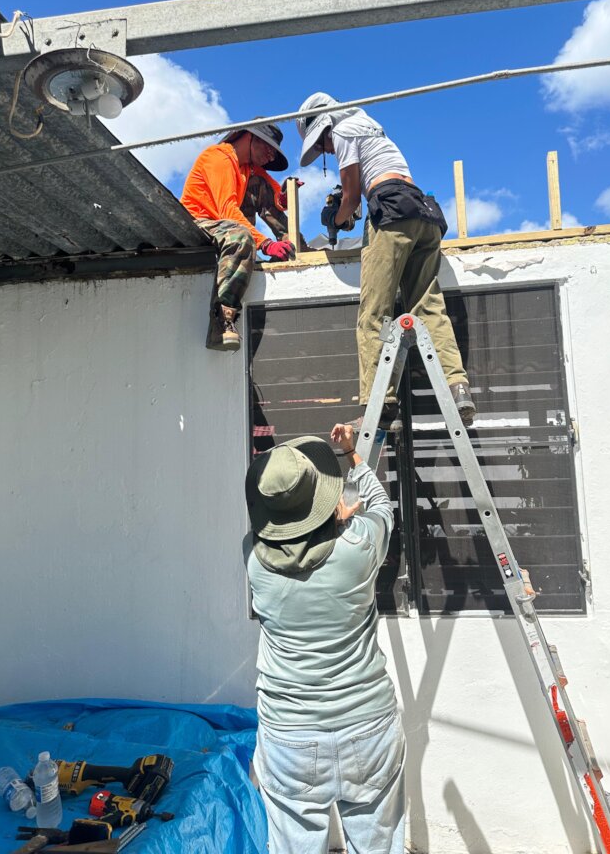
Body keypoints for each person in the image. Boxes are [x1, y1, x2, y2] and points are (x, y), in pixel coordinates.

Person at [244, 424, 406, 854]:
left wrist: (327, 521)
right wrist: (354, 455)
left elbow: (289, 544)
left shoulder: (252, 558)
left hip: (289, 735)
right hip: (367, 727)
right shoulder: (358, 548)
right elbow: (382, 509)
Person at [296, 93, 475, 430]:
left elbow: (350, 198)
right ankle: (458, 387)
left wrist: (336, 221)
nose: (326, 151)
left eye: (321, 145)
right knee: (427, 305)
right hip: (422, 211)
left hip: (390, 210)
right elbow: (375, 181)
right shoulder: (370, 125)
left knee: (374, 314)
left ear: (323, 127)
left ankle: (379, 407)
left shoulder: (344, 130)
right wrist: (349, 211)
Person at [180, 122, 295, 351]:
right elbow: (227, 211)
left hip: (224, 225)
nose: (270, 156)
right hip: (201, 223)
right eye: (269, 149)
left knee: (260, 188)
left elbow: (269, 186)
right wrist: (265, 243)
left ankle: (294, 247)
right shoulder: (219, 158)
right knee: (241, 236)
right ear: (250, 138)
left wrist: (282, 198)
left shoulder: (248, 167)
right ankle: (222, 322)